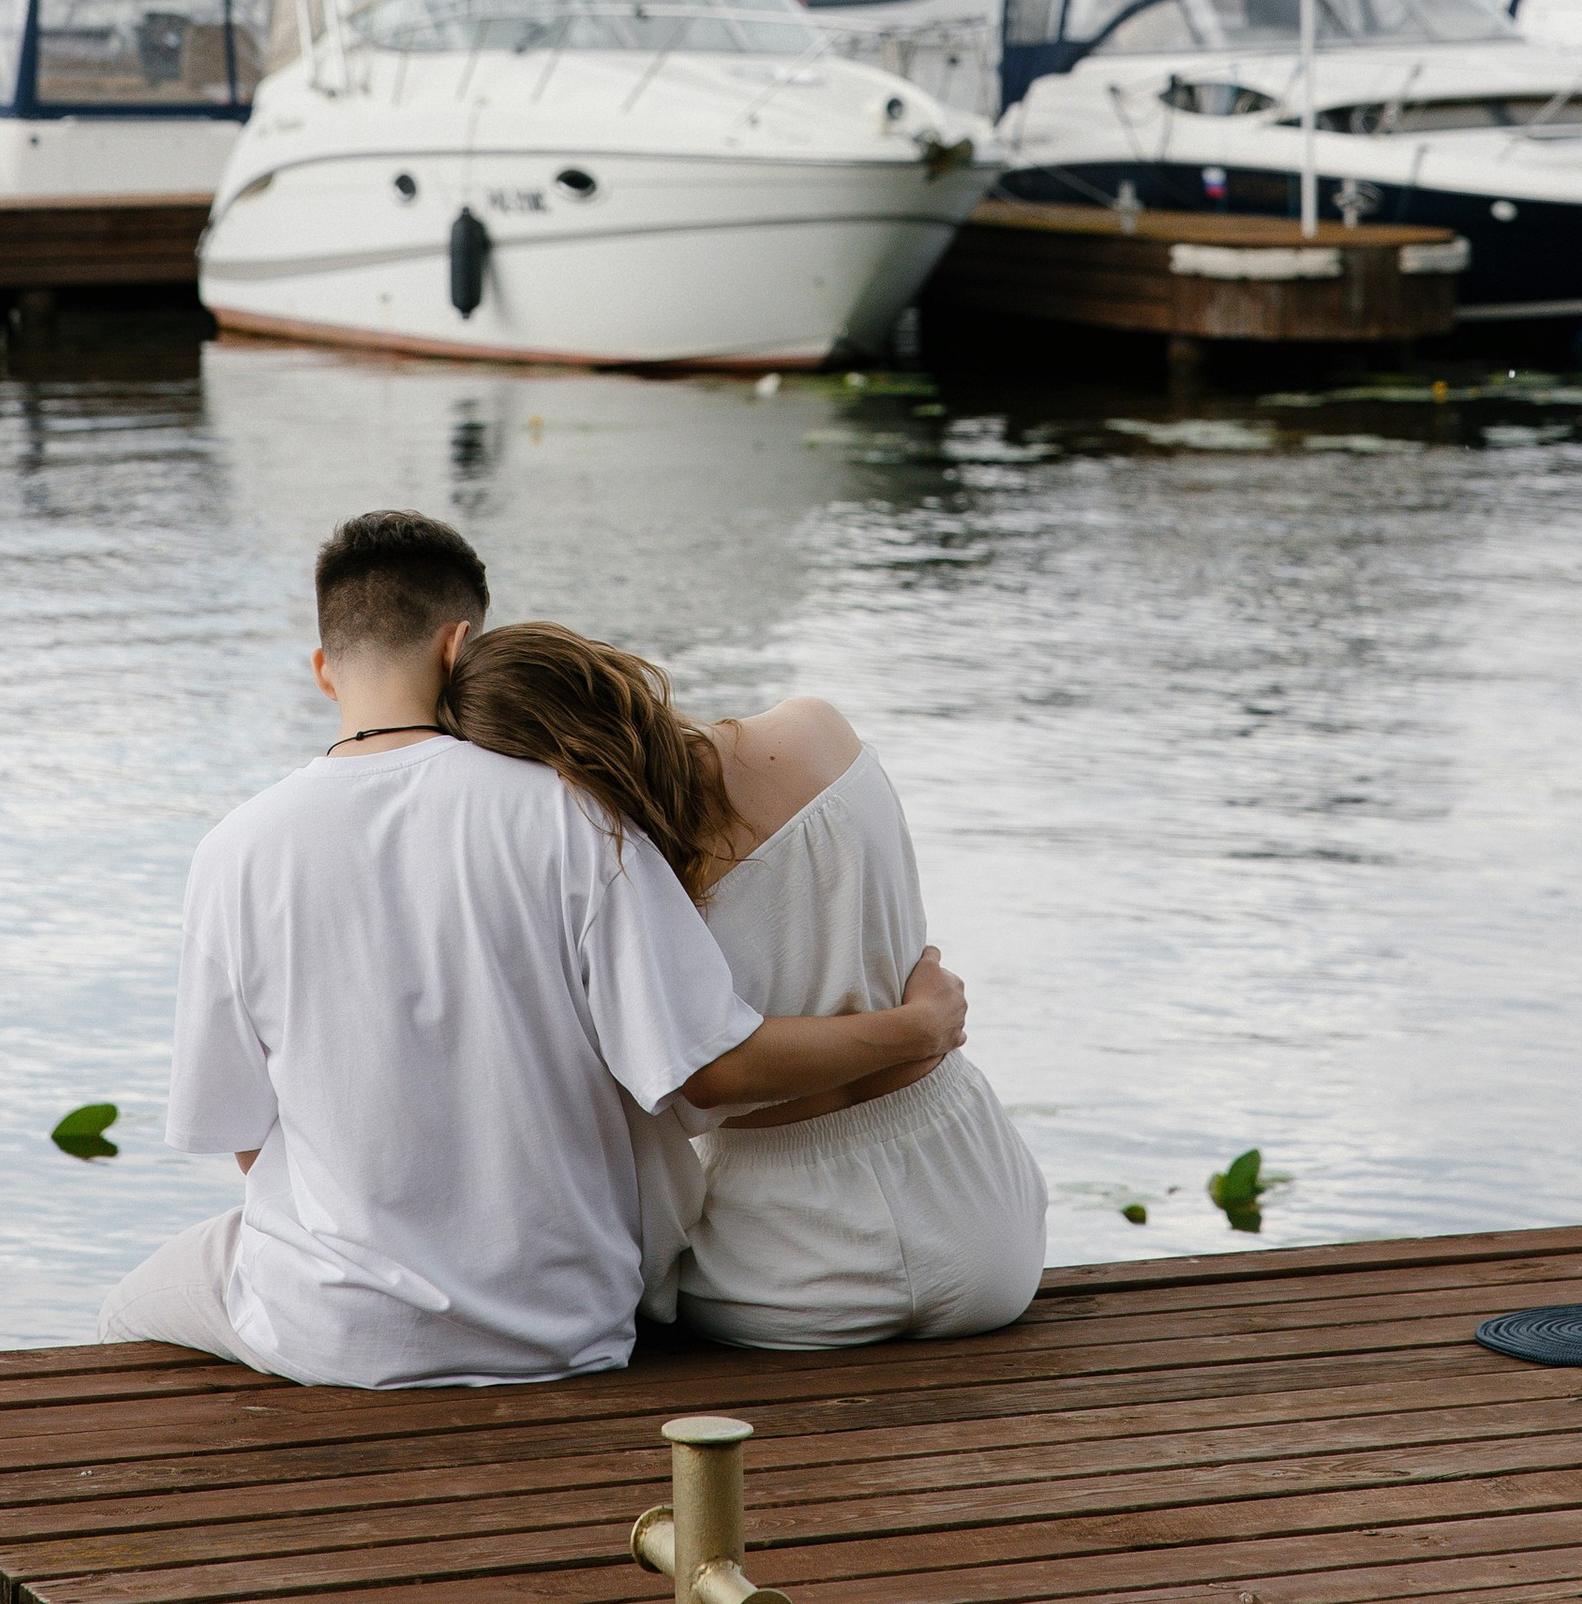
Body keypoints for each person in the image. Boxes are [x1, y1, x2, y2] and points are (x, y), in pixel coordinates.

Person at [96, 509, 966, 1390]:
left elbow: (239, 1136)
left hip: (335, 1331)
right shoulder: (571, 812)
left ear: (324, 671)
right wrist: (917, 1028)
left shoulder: (234, 849)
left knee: (126, 1311)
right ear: (459, 645)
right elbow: (699, 1060)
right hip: (566, 1329)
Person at [440, 622, 1047, 1349]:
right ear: (611, 671)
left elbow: (712, 1074)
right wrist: (922, 1027)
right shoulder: (815, 729)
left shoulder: (627, 879)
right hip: (985, 1225)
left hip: (787, 1269)